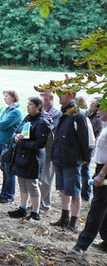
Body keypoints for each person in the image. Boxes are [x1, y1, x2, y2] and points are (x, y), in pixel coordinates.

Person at [50, 89, 92, 232]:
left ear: (71, 96)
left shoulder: (77, 115)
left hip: (72, 160)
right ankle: (64, 217)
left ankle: (74, 222)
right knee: (63, 190)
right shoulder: (64, 113)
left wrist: (86, 158)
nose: (59, 97)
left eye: (62, 94)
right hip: (60, 157)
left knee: (74, 191)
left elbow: (85, 139)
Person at [7, 96, 51, 220]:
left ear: (38, 107)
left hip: (33, 158)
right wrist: (16, 137)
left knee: (32, 184)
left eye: (31, 104)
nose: (28, 106)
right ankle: (22, 207)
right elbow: (17, 131)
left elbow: (41, 143)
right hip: (21, 155)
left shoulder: (42, 122)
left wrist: (23, 143)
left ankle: (35, 211)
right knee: (22, 183)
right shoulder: (27, 118)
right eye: (28, 104)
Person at [70, 107, 107, 255]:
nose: (98, 112)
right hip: (100, 167)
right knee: (103, 207)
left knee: (97, 208)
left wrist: (102, 175)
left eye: (102, 109)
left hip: (104, 171)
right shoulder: (104, 125)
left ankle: (81, 245)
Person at [0, 90, 23, 204]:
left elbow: (1, 124)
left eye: (6, 96)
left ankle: (9, 195)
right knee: (4, 168)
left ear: (13, 97)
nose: (4, 98)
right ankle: (3, 192)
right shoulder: (6, 109)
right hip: (2, 141)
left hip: (9, 143)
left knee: (9, 169)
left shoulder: (16, 112)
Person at [39, 92, 62, 211]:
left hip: (50, 150)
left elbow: (50, 128)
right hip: (39, 149)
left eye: (42, 95)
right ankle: (36, 202)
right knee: (38, 178)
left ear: (50, 98)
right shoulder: (40, 110)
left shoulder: (56, 113)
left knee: (47, 179)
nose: (40, 98)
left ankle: (45, 204)